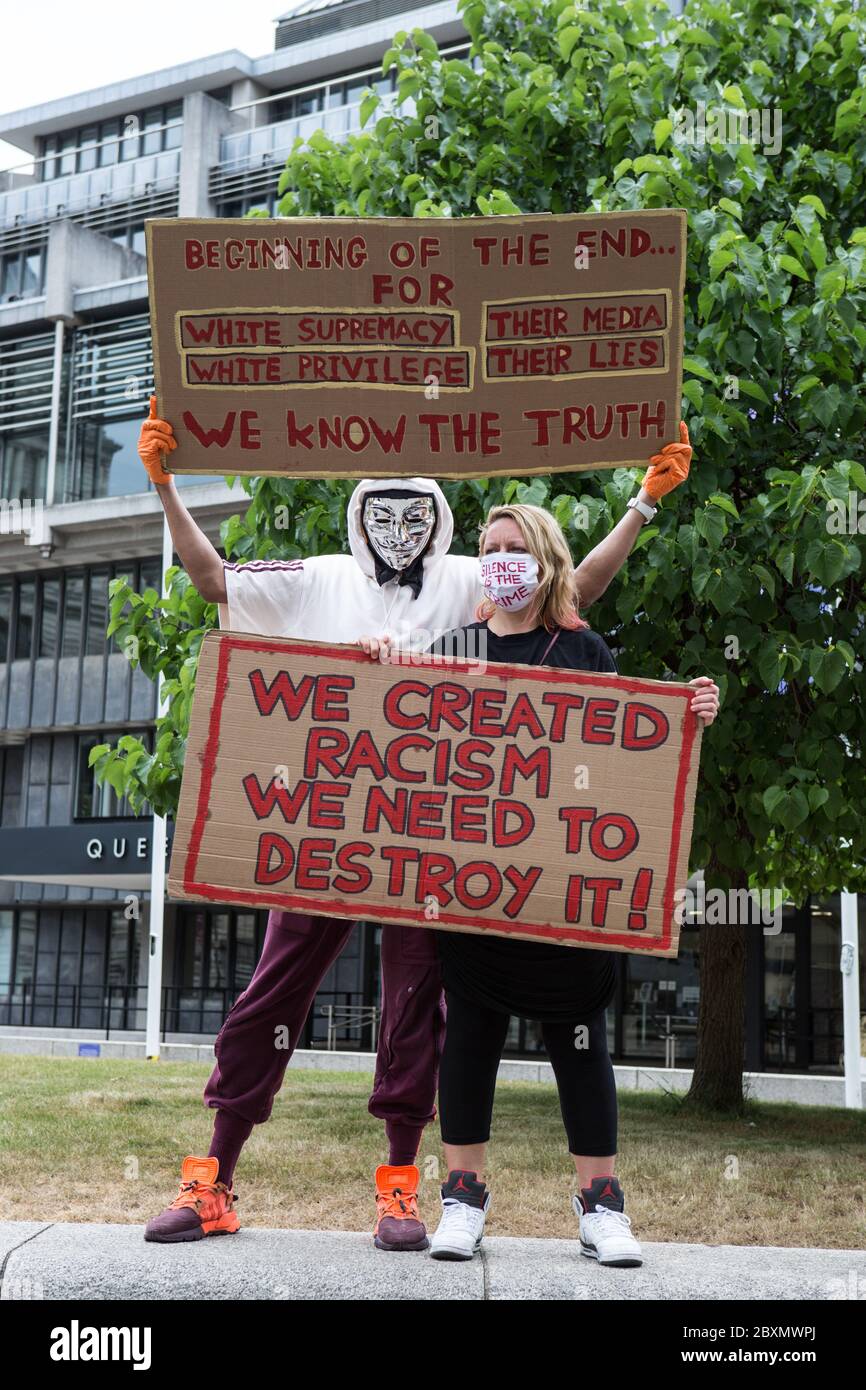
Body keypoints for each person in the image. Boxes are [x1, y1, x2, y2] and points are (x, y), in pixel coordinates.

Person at [135, 396, 693, 1249]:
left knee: (415, 1007)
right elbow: (215, 582)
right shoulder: (318, 576)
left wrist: (642, 506)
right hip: (320, 830)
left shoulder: (476, 576)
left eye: (416, 511)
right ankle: (214, 1176)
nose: (399, 527)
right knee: (272, 993)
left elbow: (567, 590)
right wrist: (168, 488)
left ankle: (400, 1186)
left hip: (428, 846)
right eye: (382, 511)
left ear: (440, 521)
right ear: (359, 519)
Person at [423, 502, 719, 1265]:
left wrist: (685, 720)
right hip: (474, 893)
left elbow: (626, 758)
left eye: (513, 547)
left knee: (580, 1044)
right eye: (488, 548)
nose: (498, 560)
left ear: (547, 559)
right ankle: (462, 1199)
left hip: (564, 898)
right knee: (471, 1039)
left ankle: (602, 1207)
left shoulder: (586, 650)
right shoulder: (452, 647)